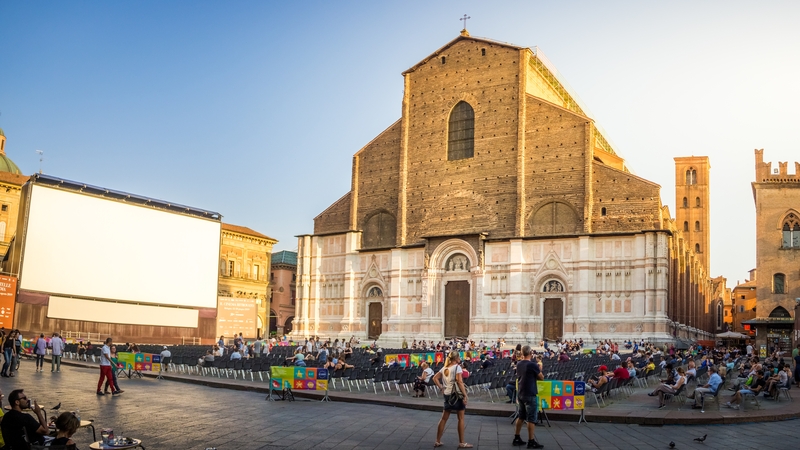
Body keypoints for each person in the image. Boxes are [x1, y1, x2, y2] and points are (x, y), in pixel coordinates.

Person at [432, 351, 471, 449]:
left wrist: (441, 387)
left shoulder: (444, 368)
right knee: (461, 418)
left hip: (447, 394)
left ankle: (437, 440)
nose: (460, 359)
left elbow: (435, 378)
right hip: (456, 395)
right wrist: (465, 395)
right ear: (456, 358)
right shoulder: (457, 367)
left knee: (444, 418)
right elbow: (460, 382)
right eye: (459, 357)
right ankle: (462, 442)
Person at [512, 345, 544, 449]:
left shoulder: (519, 363)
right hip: (530, 392)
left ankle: (516, 438)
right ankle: (531, 441)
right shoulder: (532, 365)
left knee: (521, 416)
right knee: (531, 418)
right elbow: (541, 377)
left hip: (521, 392)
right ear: (531, 353)